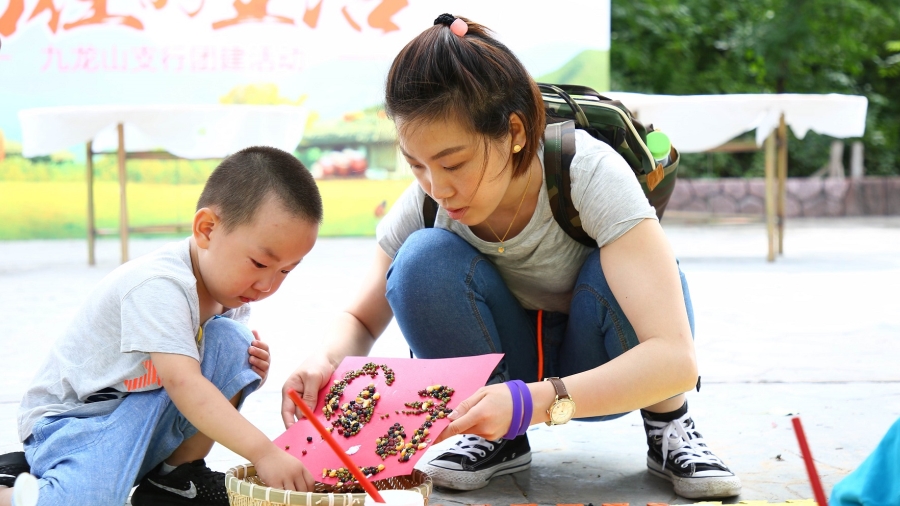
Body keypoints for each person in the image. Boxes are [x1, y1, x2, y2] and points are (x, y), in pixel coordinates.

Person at [281, 14, 741, 500]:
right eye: (416, 164)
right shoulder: (427, 202)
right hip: (508, 361)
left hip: (598, 358)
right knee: (419, 259)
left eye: (454, 163)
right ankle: (495, 437)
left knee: (620, 272)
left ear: (514, 132)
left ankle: (668, 423)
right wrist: (323, 360)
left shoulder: (588, 173)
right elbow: (361, 314)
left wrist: (529, 403)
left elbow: (675, 358)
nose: (438, 187)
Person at [0, 146, 322, 506]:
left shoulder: (230, 291)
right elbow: (183, 383)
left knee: (236, 344)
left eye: (286, 271)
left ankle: (176, 478)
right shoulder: (158, 285)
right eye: (260, 263)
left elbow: (200, 381)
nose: (268, 285)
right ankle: (14, 487)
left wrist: (243, 368)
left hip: (139, 416)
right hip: (77, 421)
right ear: (207, 229)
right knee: (91, 499)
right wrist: (264, 452)